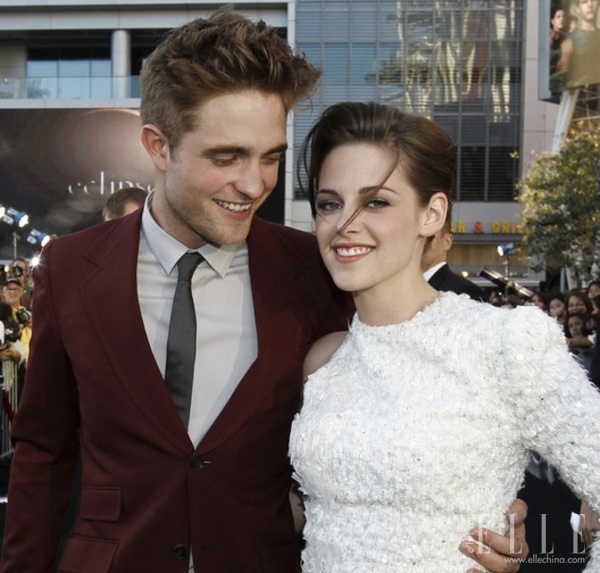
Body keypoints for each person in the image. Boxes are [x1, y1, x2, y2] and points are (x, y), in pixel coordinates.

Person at [0, 9, 525, 573]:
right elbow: (45, 453)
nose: (254, 185)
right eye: (227, 156)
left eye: (270, 157)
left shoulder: (314, 270)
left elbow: (399, 413)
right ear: (158, 146)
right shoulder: (72, 268)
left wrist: (483, 504)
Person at [289, 101, 600, 572]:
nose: (344, 225)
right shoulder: (323, 361)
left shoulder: (504, 344)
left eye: (376, 202)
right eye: (330, 203)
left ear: (432, 214)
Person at [421, 216, 489, 301]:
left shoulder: (468, 293)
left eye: (429, 237)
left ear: (447, 242)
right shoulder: (407, 288)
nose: (419, 243)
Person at [556, 0, 600, 88]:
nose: (590, 5)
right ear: (577, 8)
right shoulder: (569, 42)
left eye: (593, 0)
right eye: (584, 2)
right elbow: (560, 77)